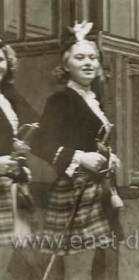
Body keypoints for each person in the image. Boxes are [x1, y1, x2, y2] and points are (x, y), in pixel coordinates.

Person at [31, 22, 120, 280]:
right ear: (66, 64)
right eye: (80, 57)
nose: (89, 63)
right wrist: (80, 157)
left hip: (97, 189)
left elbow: (92, 141)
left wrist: (107, 156)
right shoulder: (60, 100)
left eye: (93, 57)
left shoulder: (94, 100)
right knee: (78, 268)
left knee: (97, 264)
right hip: (74, 190)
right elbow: (40, 143)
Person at [0, 38, 37, 279]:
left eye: (1, 59)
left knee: (8, 255)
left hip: (7, 185)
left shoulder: (5, 98)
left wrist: (16, 147)